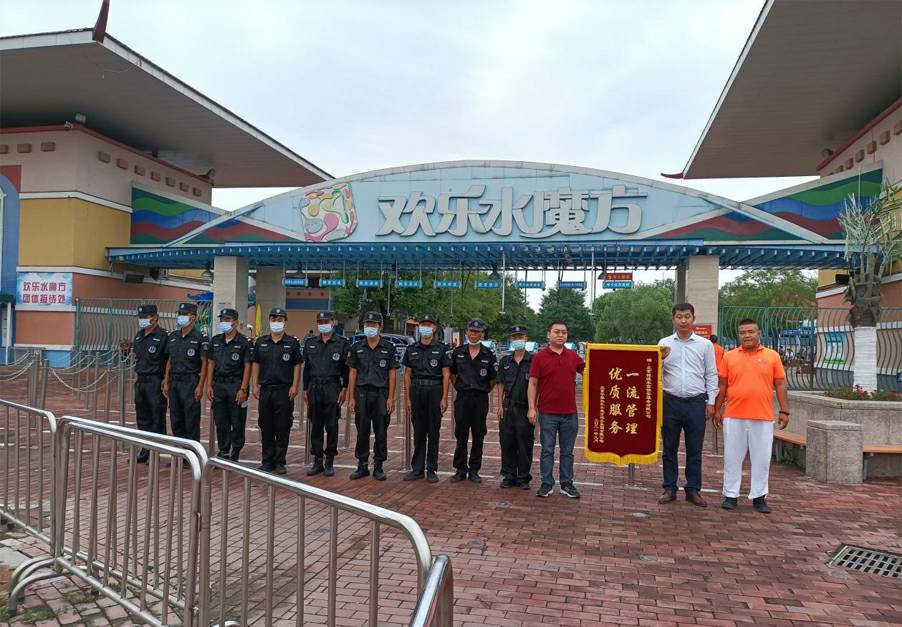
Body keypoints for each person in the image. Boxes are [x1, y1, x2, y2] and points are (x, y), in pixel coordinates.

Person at [714, 318, 790, 513]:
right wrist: (717, 409)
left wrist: (784, 411)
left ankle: (759, 497)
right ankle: (730, 495)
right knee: (732, 458)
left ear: (758, 333)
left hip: (762, 417)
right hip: (734, 416)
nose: (746, 335)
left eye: (750, 332)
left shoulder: (772, 356)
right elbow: (722, 385)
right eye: (742, 332)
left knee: (761, 460)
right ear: (738, 335)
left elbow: (780, 384)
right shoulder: (729, 357)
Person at [657, 303, 718, 507]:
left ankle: (693, 489)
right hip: (670, 402)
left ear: (693, 318)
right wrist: (659, 360)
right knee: (669, 448)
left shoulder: (705, 345)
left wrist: (711, 402)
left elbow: (711, 374)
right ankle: (669, 488)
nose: (683, 320)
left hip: (696, 403)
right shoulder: (664, 344)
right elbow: (653, 371)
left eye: (687, 316)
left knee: (695, 449)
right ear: (673, 319)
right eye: (679, 316)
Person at [528, 320, 585, 498]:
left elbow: (590, 371)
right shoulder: (539, 357)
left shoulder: (573, 356)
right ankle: (546, 483)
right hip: (547, 412)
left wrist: (594, 353)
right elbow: (533, 383)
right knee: (547, 450)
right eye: (556, 332)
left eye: (564, 332)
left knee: (567, 452)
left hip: (570, 413)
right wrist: (531, 408)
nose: (560, 335)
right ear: (549, 334)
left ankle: (567, 484)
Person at [347, 312, 398, 481]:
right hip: (361, 393)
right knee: (362, 430)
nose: (370, 327)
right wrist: (351, 397)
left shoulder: (388, 347)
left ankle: (379, 465)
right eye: (367, 324)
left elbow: (392, 374)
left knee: (381, 431)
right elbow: (352, 372)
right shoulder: (357, 347)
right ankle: (362, 465)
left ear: (380, 327)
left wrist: (391, 398)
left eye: (373, 324)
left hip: (381, 394)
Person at [251, 307, 302, 475]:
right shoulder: (261, 342)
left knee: (282, 426)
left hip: (284, 391)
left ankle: (280, 461)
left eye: (279, 320)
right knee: (266, 426)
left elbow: (297, 365)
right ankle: (267, 461)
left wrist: (295, 386)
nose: (276, 323)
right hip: (266, 390)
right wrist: (254, 385)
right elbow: (256, 363)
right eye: (273, 319)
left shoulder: (292, 343)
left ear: (285, 321)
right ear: (269, 321)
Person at [401, 314, 450, 483]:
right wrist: (407, 398)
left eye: (429, 324)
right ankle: (417, 469)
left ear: (434, 328)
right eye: (423, 324)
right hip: (417, 391)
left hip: (435, 391)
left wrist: (444, 398)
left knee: (433, 432)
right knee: (419, 432)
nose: (426, 327)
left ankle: (432, 469)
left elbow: (446, 374)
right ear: (418, 327)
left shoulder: (441, 348)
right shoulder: (411, 349)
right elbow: (407, 374)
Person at [302, 311, 350, 477]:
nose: (323, 324)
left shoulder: (342, 343)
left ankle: (329, 460)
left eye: (326, 321)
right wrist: (305, 389)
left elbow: (346, 369)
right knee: (316, 426)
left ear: (333, 322)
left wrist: (344, 389)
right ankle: (317, 460)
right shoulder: (311, 343)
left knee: (331, 426)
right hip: (314, 387)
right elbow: (307, 369)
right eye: (320, 322)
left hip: (332, 387)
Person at [449, 318, 497, 484]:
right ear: (467, 332)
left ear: (482, 334)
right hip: (463, 397)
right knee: (461, 434)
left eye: (477, 332)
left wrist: (482, 390)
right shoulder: (458, 352)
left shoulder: (489, 355)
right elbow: (452, 374)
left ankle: (474, 469)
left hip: (480, 399)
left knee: (478, 434)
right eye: (471, 331)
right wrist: (459, 387)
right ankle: (460, 469)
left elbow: (492, 380)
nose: (474, 334)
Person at [204, 308, 252, 461]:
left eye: (227, 320)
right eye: (222, 319)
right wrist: (209, 385)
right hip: (219, 385)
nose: (223, 322)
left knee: (237, 420)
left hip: (236, 385)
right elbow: (211, 364)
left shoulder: (243, 342)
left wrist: (243, 389)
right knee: (220, 420)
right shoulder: (216, 341)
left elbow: (248, 366)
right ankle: (224, 450)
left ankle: (235, 450)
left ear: (235, 322)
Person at [495, 325, 534, 489]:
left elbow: (536, 385)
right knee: (507, 441)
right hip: (508, 406)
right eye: (515, 337)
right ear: (511, 339)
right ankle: (509, 475)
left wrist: (533, 408)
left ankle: (523, 477)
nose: (518, 339)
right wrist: (499, 405)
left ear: (526, 338)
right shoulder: (505, 361)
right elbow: (500, 384)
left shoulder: (533, 360)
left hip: (525, 407)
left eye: (520, 337)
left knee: (524, 443)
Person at [162, 302, 208, 441]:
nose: (180, 317)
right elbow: (169, 360)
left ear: (193, 317)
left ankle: (192, 451)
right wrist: (166, 381)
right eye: (179, 314)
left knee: (191, 419)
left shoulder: (200, 338)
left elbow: (204, 363)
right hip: (175, 381)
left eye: (184, 314)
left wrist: (200, 386)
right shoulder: (173, 336)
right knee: (176, 418)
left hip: (190, 381)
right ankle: (180, 450)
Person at [132, 304, 168, 463]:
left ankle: (156, 449)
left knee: (156, 416)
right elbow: (138, 358)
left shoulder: (163, 336)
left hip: (155, 380)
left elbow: (168, 360)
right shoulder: (139, 336)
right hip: (141, 380)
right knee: (142, 416)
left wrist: (165, 380)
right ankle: (145, 449)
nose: (142, 320)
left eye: (145, 317)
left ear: (154, 317)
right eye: (140, 317)